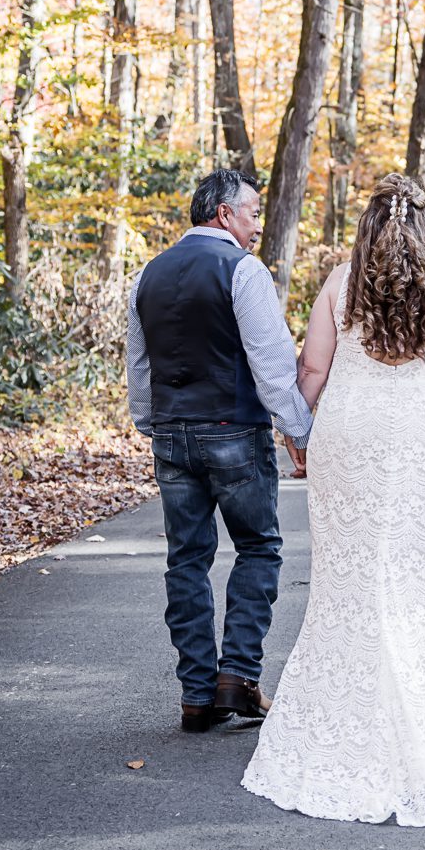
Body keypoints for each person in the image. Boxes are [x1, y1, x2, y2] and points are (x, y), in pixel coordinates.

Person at [242, 172, 425, 826]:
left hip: (347, 440)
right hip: (416, 440)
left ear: (370, 224)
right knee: (410, 584)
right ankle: (406, 730)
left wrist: (297, 434)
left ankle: (341, 733)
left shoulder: (339, 280)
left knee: (347, 586)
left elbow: (313, 370)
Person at [127, 168, 312, 732]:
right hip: (233, 432)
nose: (258, 225)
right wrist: (300, 433)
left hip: (172, 434)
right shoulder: (243, 271)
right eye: (253, 213)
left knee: (186, 559)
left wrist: (148, 421)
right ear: (225, 214)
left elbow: (139, 364)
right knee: (258, 548)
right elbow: (273, 364)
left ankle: (196, 695)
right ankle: (238, 677)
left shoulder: (147, 275)